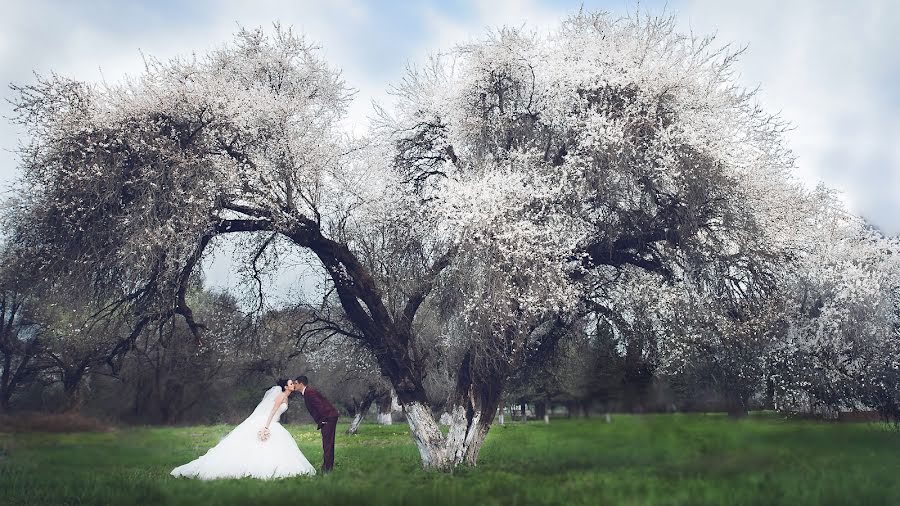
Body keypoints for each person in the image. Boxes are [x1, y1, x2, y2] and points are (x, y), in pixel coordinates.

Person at [170, 378, 316, 479]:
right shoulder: (281, 396)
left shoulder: (286, 397)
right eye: (291, 383)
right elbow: (271, 412)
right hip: (268, 423)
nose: (293, 385)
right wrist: (265, 427)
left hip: (273, 423)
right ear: (286, 387)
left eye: (293, 384)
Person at [294, 375, 340, 472]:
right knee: (327, 444)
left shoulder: (309, 392)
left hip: (328, 418)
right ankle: (327, 467)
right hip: (328, 417)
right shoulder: (307, 392)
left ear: (301, 384)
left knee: (328, 444)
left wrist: (324, 419)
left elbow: (320, 405)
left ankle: (327, 469)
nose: (294, 385)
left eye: (296, 383)